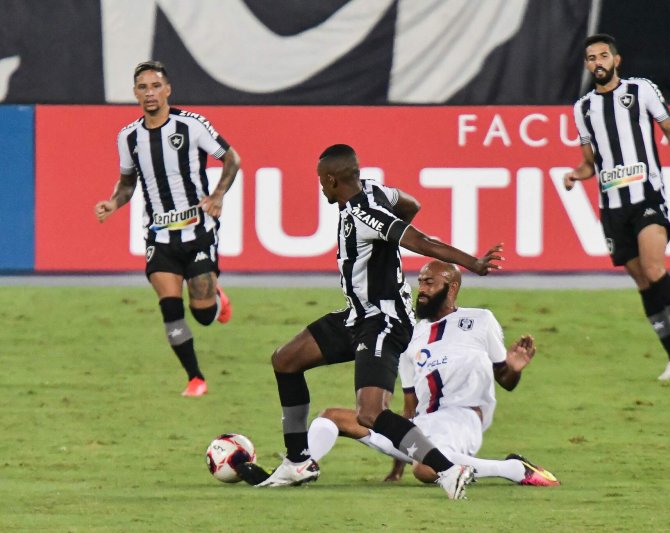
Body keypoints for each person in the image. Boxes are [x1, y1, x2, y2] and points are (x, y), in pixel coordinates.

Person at [235, 144, 502, 500]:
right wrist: (387, 244)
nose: (321, 187)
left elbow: (421, 241)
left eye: (321, 181)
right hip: (357, 315)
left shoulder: (366, 214)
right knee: (286, 360)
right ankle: (298, 461)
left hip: (384, 321)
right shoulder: (375, 190)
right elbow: (411, 204)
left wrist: (473, 263)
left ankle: (449, 469)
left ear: (332, 180)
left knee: (371, 413)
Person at [305, 260, 560, 488]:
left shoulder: (481, 320)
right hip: (423, 424)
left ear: (452, 288)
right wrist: (396, 469)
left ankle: (515, 469)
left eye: (429, 283)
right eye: (420, 282)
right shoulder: (409, 336)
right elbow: (409, 407)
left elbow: (505, 380)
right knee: (332, 416)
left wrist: (513, 368)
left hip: (462, 419)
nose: (422, 290)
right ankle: (303, 468)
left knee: (426, 469)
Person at [563, 34, 670, 381]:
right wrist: (576, 174)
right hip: (612, 209)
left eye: (604, 55)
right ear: (587, 65)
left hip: (646, 197)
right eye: (591, 58)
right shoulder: (582, 108)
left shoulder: (641, 90)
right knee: (643, 281)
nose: (598, 62)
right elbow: (590, 163)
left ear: (616, 60)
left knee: (654, 268)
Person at [94, 61, 240, 397]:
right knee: (171, 309)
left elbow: (232, 158)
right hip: (159, 236)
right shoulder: (128, 137)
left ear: (168, 90)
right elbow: (127, 183)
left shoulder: (191, 125)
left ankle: (216, 299)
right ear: (135, 93)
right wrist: (113, 203)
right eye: (143, 87)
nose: (150, 93)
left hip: (197, 231)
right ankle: (195, 378)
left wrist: (218, 195)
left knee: (203, 314)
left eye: (156, 86)